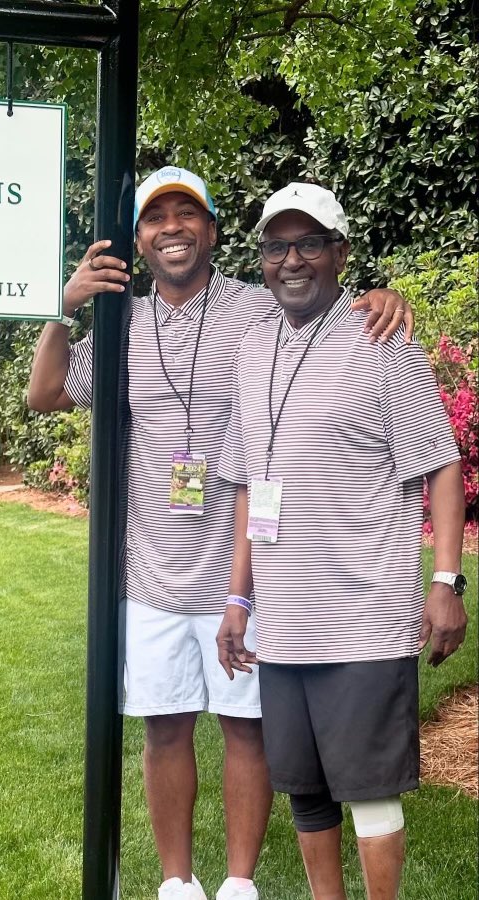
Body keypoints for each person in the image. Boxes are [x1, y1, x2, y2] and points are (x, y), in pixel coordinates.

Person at [28, 166, 413, 900]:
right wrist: (63, 306)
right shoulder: (122, 322)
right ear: (138, 241)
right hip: (150, 567)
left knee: (249, 729)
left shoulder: (256, 308)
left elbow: (324, 308)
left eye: (186, 214)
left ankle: (239, 883)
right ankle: (178, 883)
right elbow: (45, 394)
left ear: (210, 229)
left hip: (251, 565)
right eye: (154, 218)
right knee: (164, 727)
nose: (170, 227)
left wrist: (380, 298)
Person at [216, 182, 467, 900]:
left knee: (370, 792)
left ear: (340, 252)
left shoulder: (383, 339)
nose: (291, 259)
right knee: (306, 790)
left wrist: (447, 582)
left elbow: (440, 462)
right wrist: (239, 597)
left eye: (309, 243)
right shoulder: (253, 345)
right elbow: (246, 481)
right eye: (276, 246)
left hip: (362, 616)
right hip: (285, 622)